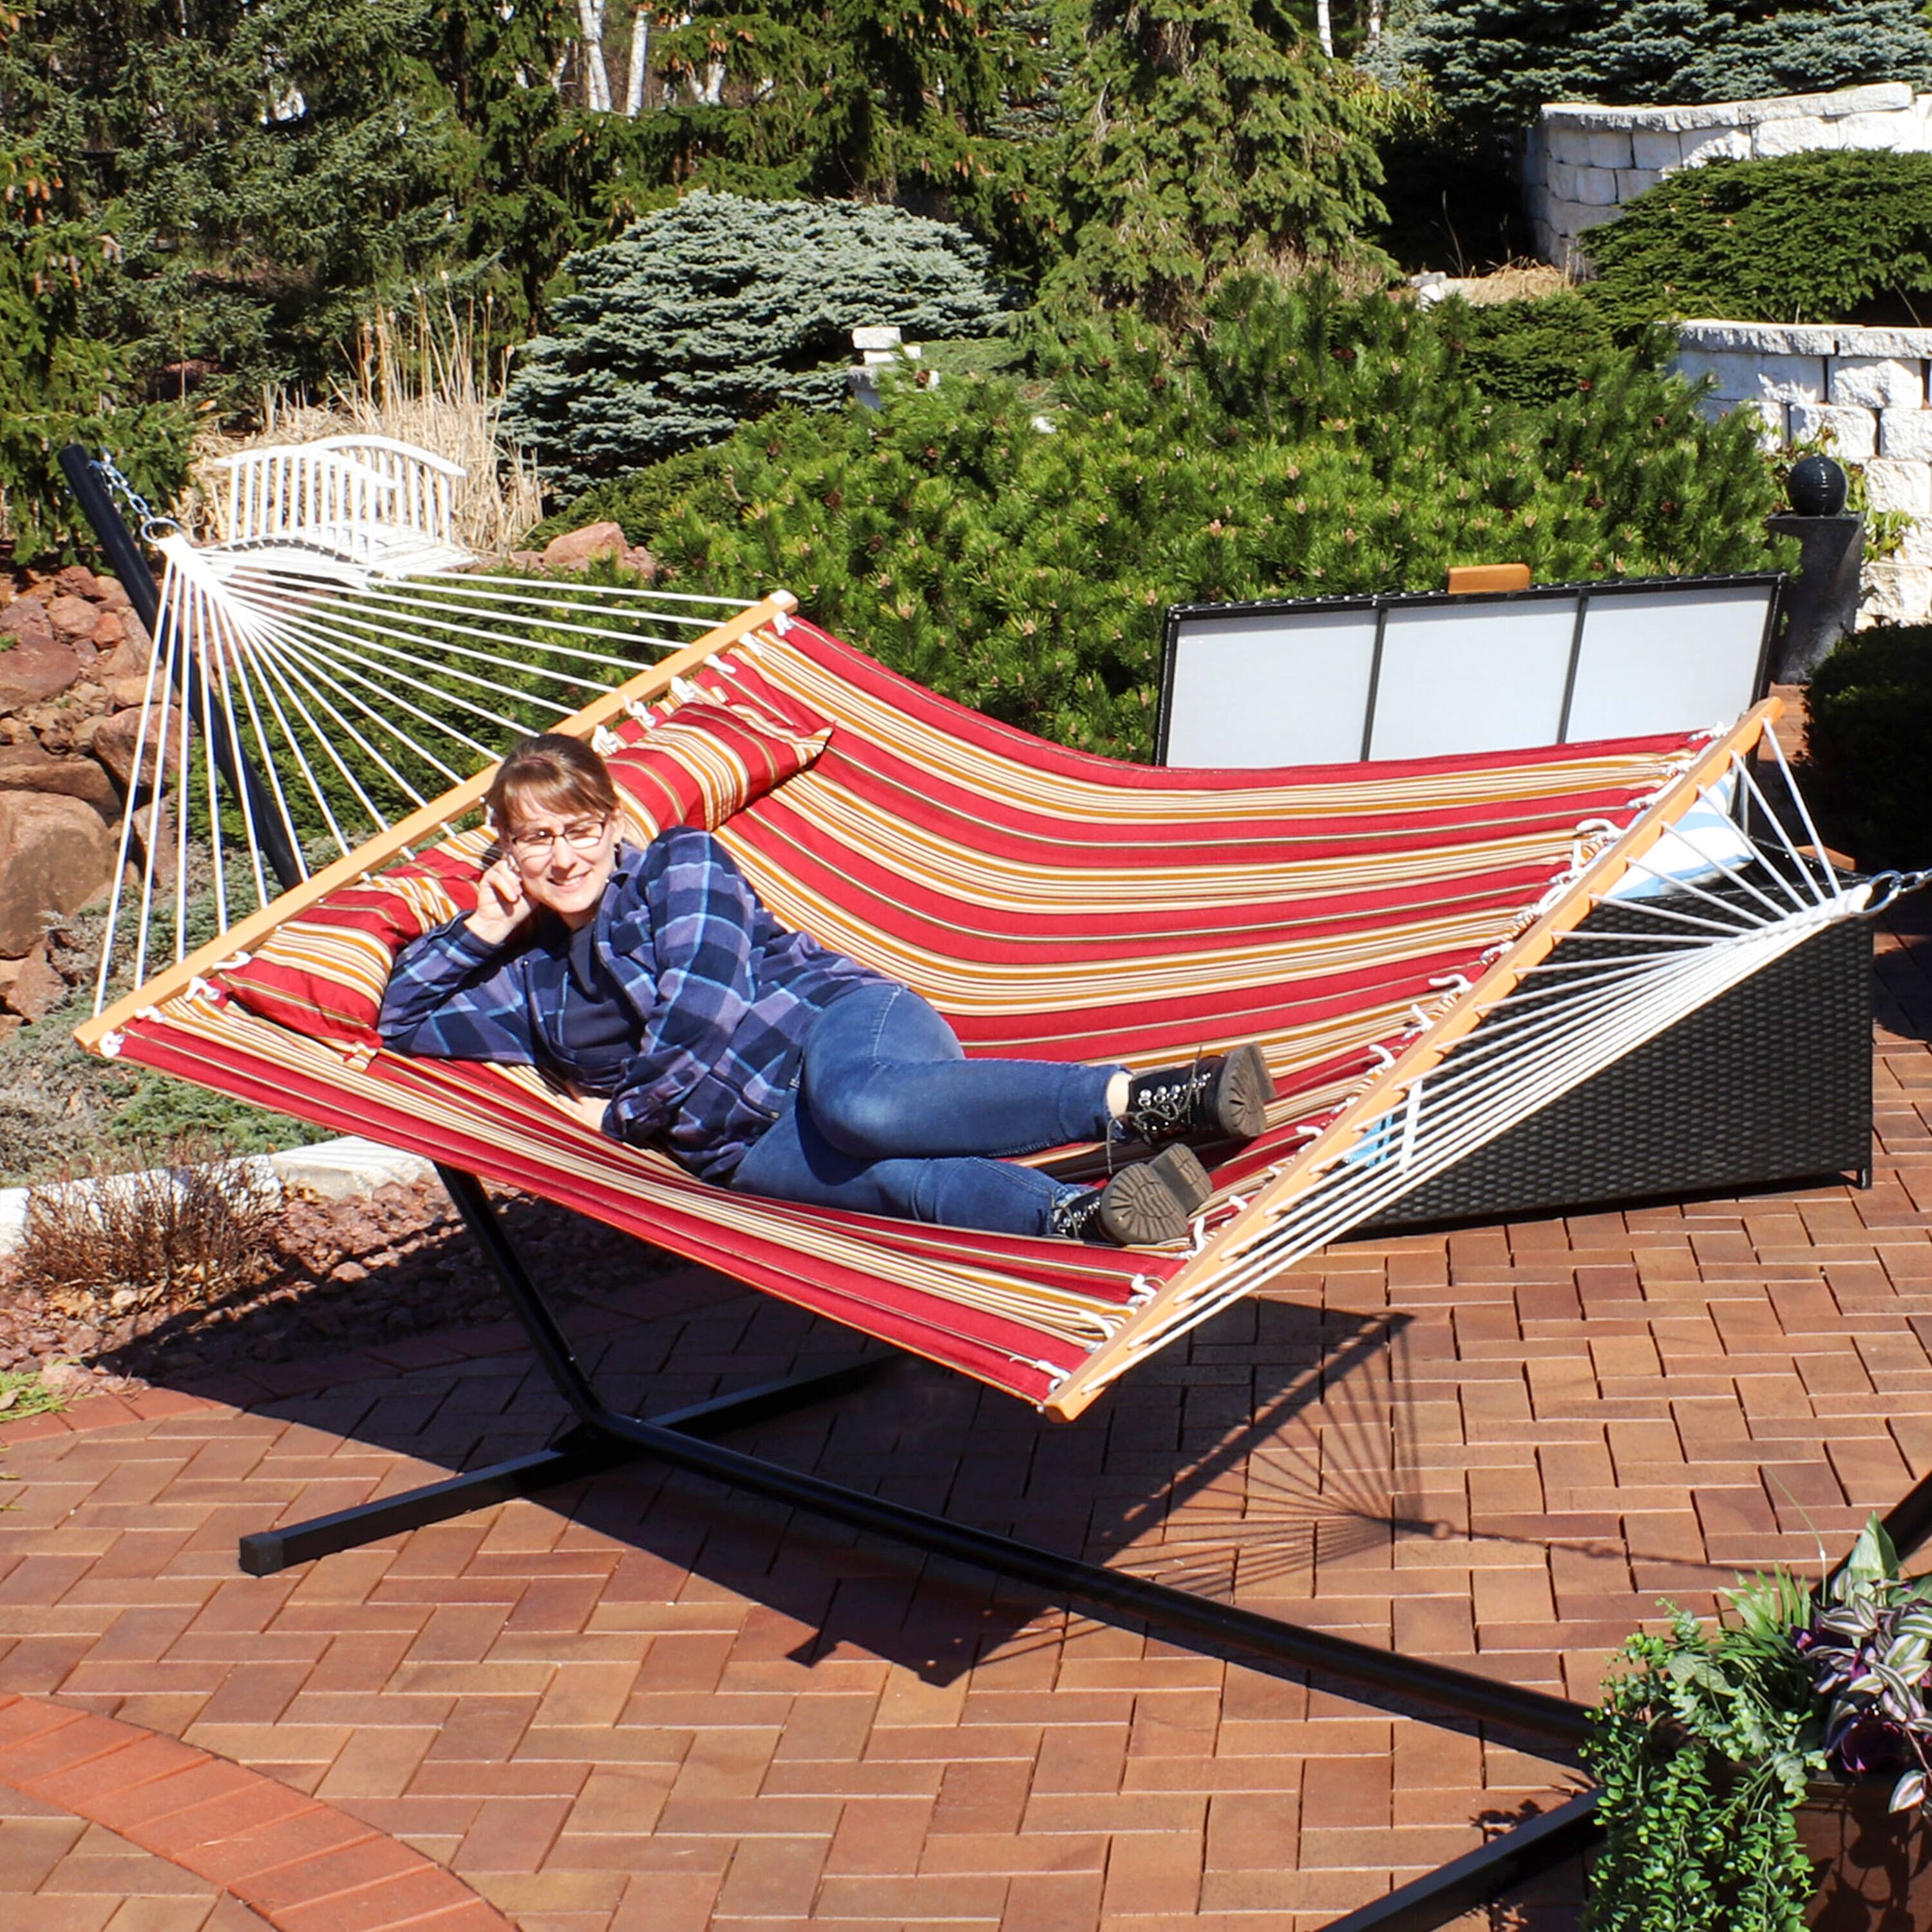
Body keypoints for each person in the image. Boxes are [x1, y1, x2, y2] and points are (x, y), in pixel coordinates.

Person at [379, 734, 1275, 1245]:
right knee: (893, 1185)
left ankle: (1156, 1099)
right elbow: (403, 1018)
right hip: (742, 1142)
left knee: (862, 1111)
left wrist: (615, 1121)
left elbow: (702, 1011)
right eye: (536, 840)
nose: (563, 857)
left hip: (839, 1032)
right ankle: (1087, 1218)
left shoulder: (677, 866)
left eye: (578, 830)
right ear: (506, 847)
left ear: (613, 824)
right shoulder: (527, 983)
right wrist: (487, 927)